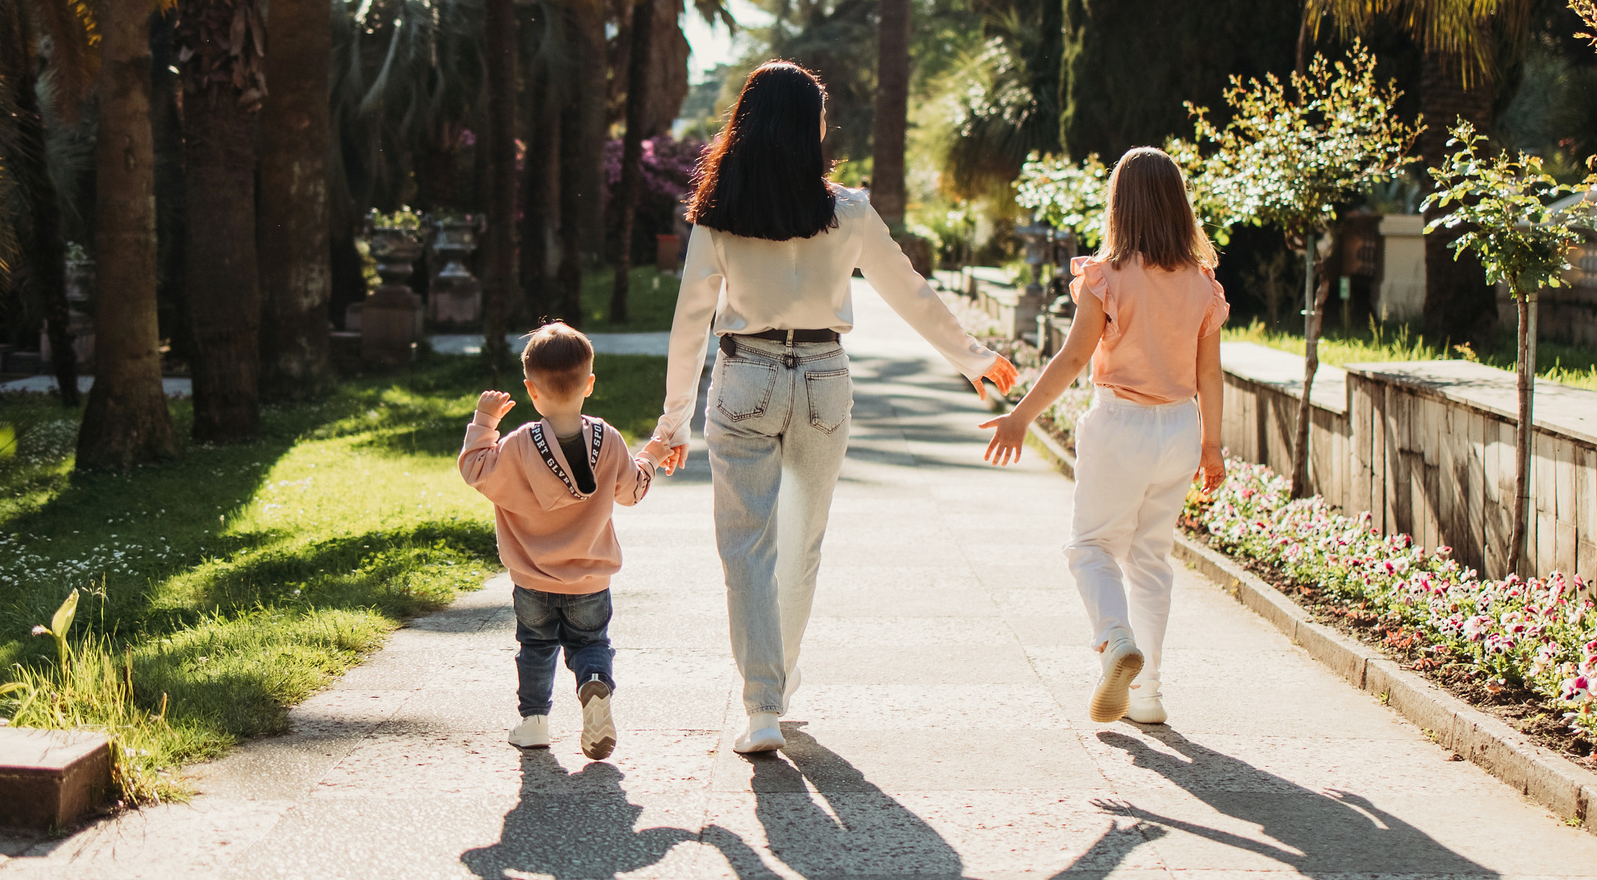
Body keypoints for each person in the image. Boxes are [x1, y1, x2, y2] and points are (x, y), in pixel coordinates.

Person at [644, 62, 1019, 756]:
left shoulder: (718, 210)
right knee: (802, 544)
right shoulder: (846, 210)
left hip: (745, 376)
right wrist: (973, 357)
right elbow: (910, 290)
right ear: (807, 127)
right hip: (823, 379)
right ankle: (776, 692)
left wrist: (673, 423)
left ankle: (761, 704)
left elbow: (689, 322)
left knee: (747, 547)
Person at [980, 148, 1227, 725]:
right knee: (1152, 560)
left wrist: (1021, 416)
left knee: (1090, 548)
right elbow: (1210, 371)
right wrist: (1211, 445)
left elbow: (1072, 358)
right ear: (1177, 204)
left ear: (1120, 205)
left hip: (1122, 426)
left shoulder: (1107, 275)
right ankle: (1150, 695)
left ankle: (1116, 642)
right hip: (1180, 430)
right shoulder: (1201, 282)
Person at [461, 322, 654, 761]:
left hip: (532, 580)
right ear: (589, 384)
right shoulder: (609, 439)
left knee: (535, 647)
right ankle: (593, 683)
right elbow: (631, 492)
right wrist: (652, 456)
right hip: (589, 579)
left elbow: (474, 469)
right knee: (591, 645)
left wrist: (485, 420)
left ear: (531, 391)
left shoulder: (516, 446)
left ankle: (533, 724)